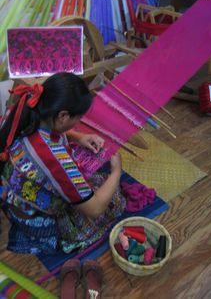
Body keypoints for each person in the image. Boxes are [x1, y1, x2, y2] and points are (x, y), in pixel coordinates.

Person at [0, 72, 126, 254]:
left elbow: (46, 136)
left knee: (94, 183)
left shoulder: (26, 112)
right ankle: (45, 236)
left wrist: (79, 136)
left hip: (12, 196)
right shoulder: (57, 159)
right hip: (34, 220)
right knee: (114, 200)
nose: (79, 122)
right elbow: (95, 209)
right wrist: (116, 171)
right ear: (63, 116)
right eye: (79, 118)